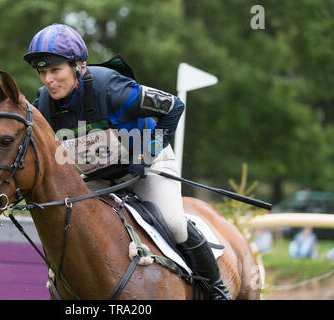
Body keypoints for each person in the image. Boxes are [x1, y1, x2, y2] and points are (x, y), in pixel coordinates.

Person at [23, 23, 231, 299]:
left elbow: (173, 106)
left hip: (148, 166)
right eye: (42, 72)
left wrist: (147, 153)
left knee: (173, 223)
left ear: (79, 66)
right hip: (98, 177)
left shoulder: (110, 87)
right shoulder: (44, 105)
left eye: (55, 70)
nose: (48, 80)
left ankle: (218, 291)